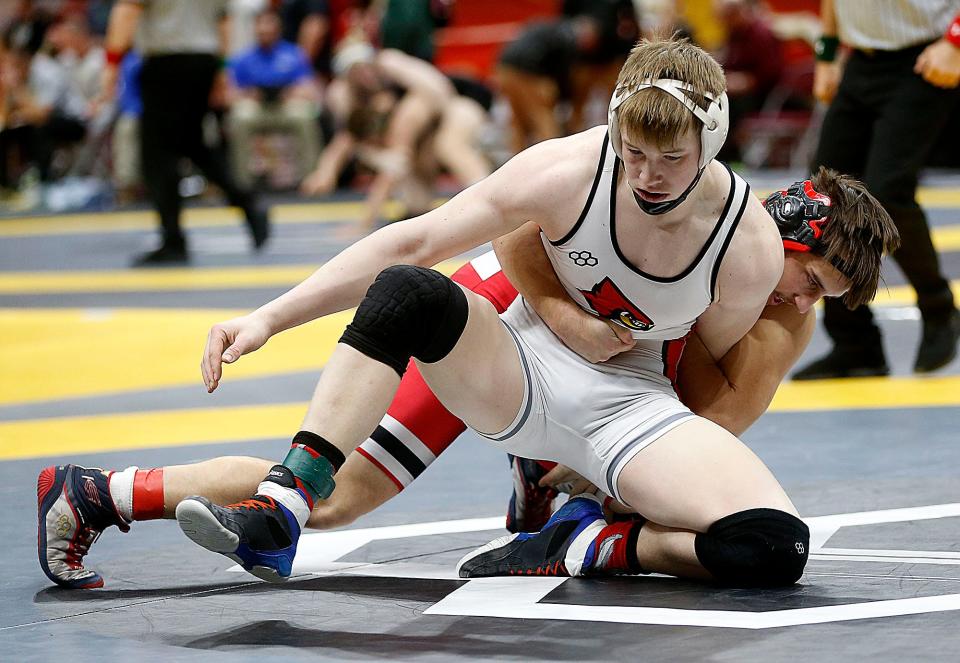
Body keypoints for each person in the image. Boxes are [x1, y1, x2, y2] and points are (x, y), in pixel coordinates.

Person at [39, 37, 897, 590]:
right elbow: (446, 241)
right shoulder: (571, 171)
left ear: (709, 149)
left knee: (764, 539)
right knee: (351, 480)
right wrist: (272, 315)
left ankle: (577, 532)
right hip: (513, 321)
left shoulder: (750, 261)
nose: (646, 176)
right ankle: (200, 500)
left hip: (621, 394)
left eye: (669, 159)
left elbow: (704, 398)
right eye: (632, 153)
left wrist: (602, 480)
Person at [793, 1, 960, 379]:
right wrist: (828, 53)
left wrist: (955, 40)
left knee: (886, 194)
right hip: (861, 62)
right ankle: (856, 344)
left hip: (923, 58)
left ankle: (939, 309)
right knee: (825, 197)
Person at [98, 0, 271, 266]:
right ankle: (247, 203)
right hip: (204, 61)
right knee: (193, 144)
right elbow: (223, 20)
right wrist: (222, 69)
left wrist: (111, 65)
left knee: (157, 155)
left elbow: (126, 10)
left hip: (166, 61)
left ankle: (173, 239)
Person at [300, 40, 491, 232]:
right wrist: (325, 171)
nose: (365, 78)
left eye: (366, 70)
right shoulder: (356, 98)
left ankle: (487, 198)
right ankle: (420, 210)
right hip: (432, 119)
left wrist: (365, 221)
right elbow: (348, 138)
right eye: (357, 75)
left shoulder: (409, 107)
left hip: (459, 104)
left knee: (448, 145)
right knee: (416, 167)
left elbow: (394, 164)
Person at [227, 9, 321, 188]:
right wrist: (249, 94)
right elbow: (230, 95)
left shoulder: (294, 54)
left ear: (278, 28)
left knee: (305, 115)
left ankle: (311, 179)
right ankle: (242, 183)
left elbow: (311, 90)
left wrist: (291, 92)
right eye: (260, 25)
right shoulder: (243, 59)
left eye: (269, 24)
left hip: (285, 107)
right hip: (257, 109)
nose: (265, 30)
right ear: (255, 29)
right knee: (239, 117)